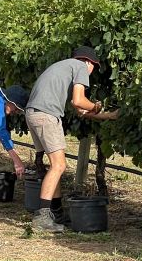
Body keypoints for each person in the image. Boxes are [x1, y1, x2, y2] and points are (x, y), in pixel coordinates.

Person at [25, 46, 118, 232]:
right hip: (47, 115)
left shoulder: (63, 67)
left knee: (54, 165)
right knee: (59, 166)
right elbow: (79, 101)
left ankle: (56, 212)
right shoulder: (81, 67)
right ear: (89, 62)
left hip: (33, 113)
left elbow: (81, 111)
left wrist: (108, 115)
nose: (92, 72)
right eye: (94, 67)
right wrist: (97, 105)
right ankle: (42, 217)